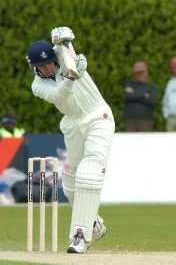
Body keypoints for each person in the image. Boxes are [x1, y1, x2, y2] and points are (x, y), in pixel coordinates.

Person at [27, 27, 115, 253]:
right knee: (69, 182)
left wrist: (61, 37)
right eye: (40, 66)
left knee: (90, 171)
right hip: (73, 124)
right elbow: (59, 96)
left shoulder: (64, 54)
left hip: (98, 117)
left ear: (54, 59)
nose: (46, 68)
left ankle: (79, 236)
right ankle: (93, 223)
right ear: (34, 67)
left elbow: (66, 34)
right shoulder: (38, 85)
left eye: (48, 63)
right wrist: (70, 76)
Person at [124, 61, 157, 131]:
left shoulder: (151, 86)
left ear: (146, 72)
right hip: (130, 121)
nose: (139, 74)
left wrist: (134, 94)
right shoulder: (129, 84)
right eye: (137, 72)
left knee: (146, 142)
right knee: (130, 141)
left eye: (141, 72)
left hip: (146, 121)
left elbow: (151, 101)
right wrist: (144, 95)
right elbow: (128, 96)